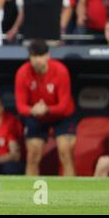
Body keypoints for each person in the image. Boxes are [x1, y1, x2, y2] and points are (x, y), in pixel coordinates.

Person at [15, 40, 76, 176]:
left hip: (62, 116)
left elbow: (64, 105)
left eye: (41, 56)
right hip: (36, 116)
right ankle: (29, 194)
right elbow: (20, 106)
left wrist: (47, 109)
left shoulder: (60, 71)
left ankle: (72, 192)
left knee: (65, 152)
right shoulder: (23, 73)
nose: (38, 60)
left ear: (48, 56)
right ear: (30, 57)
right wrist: (33, 110)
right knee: (32, 156)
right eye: (34, 56)